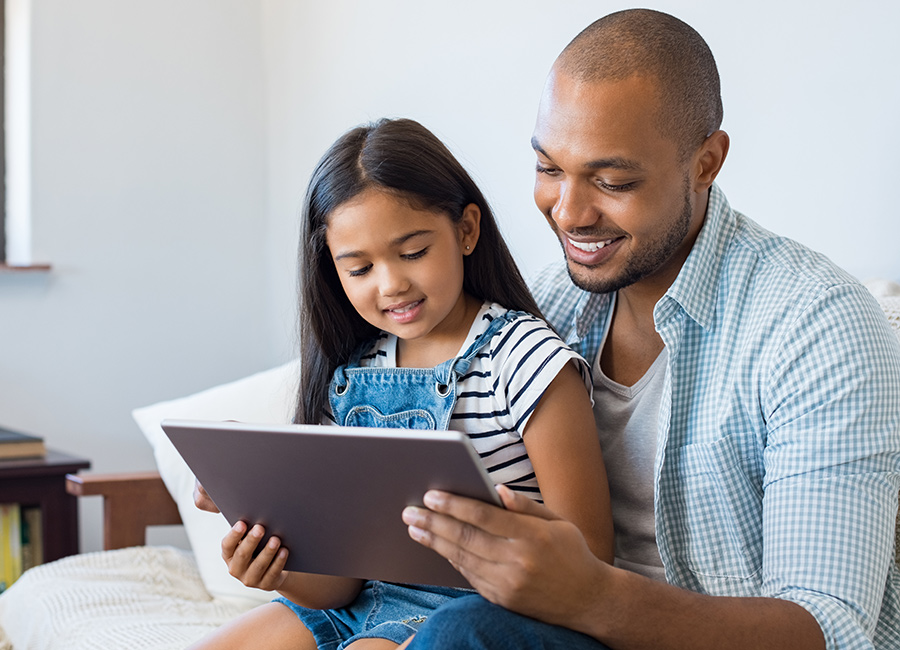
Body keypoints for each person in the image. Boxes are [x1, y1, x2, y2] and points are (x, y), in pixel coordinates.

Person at [400, 9, 900, 650]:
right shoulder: (542, 310)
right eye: (550, 169)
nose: (570, 213)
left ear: (706, 162)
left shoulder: (815, 325)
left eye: (613, 181)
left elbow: (831, 629)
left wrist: (593, 597)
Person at [189, 117, 613, 650]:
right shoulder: (349, 372)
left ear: (466, 230)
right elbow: (340, 586)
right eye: (360, 269)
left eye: (412, 253)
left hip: (485, 611)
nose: (391, 284)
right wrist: (278, 567)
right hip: (363, 607)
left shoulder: (525, 360)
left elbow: (592, 559)